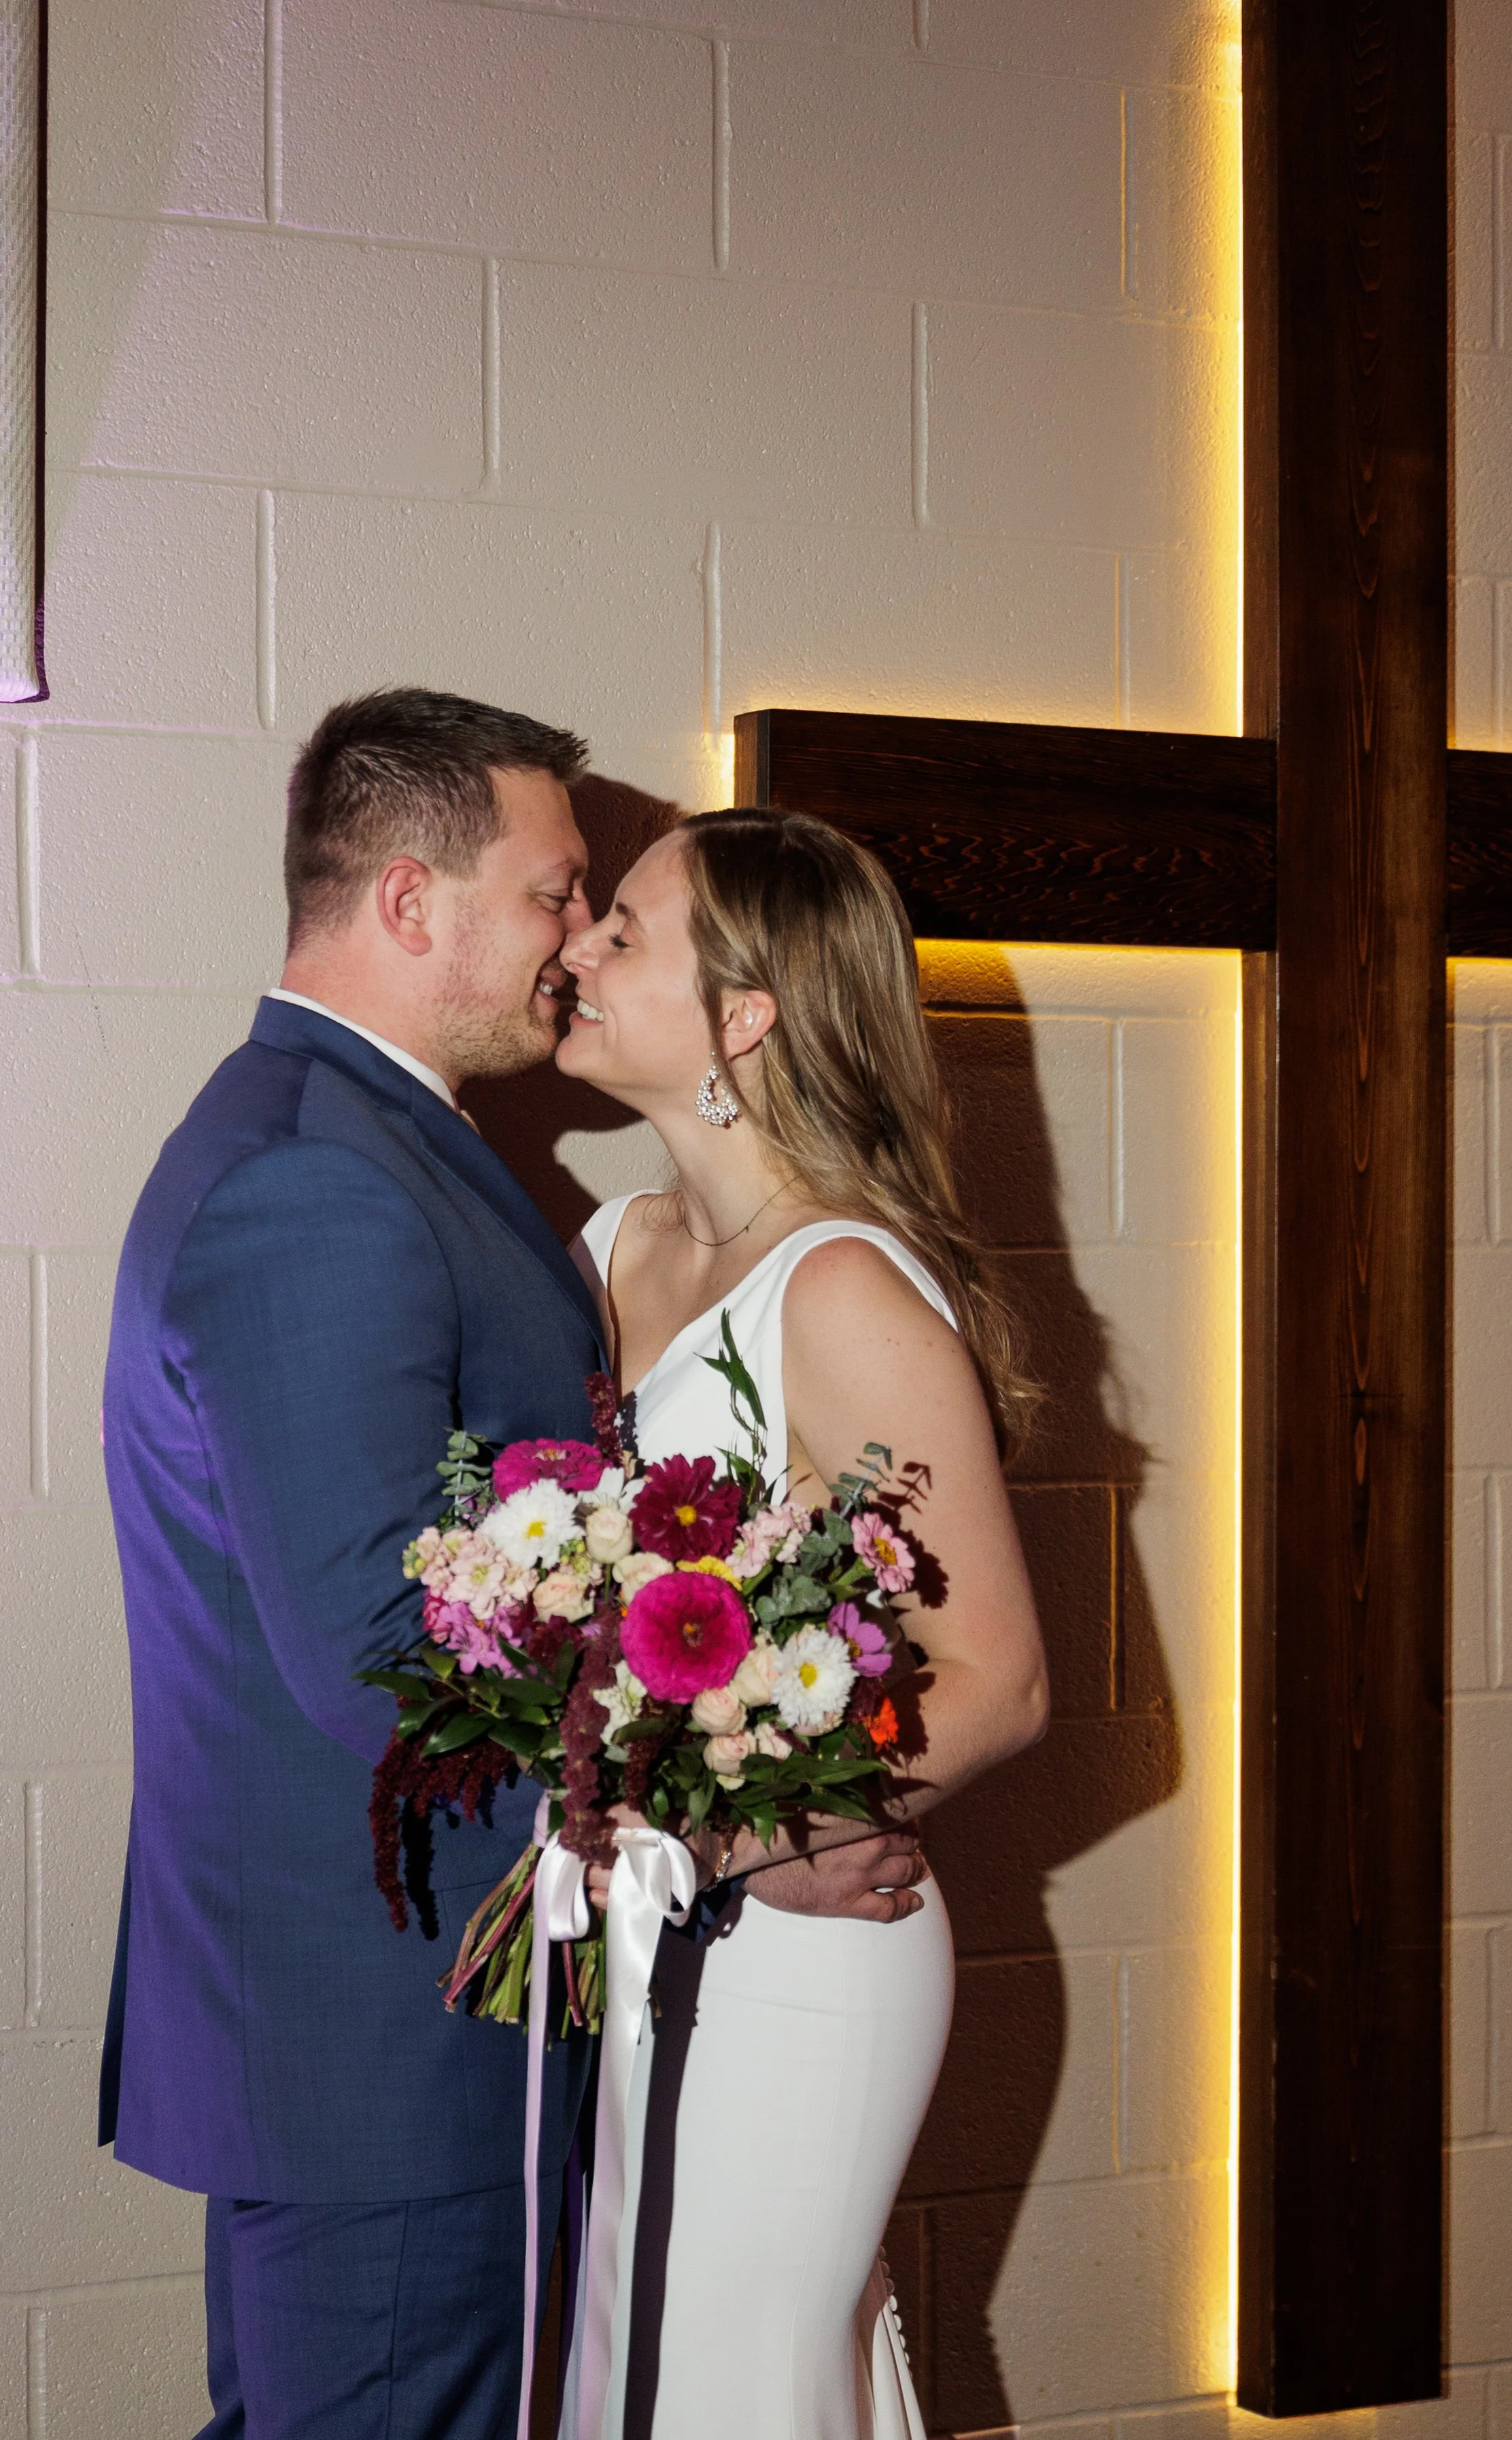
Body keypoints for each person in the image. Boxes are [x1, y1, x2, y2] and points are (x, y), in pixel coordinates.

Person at [98, 692, 921, 2440]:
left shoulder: (351, 1142)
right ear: (413, 903)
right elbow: (382, 1645)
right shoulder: (323, 1182)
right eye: (556, 892)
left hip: (370, 2026)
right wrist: (721, 1835)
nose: (575, 937)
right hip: (387, 2040)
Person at [555, 804, 1051, 2440]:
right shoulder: (606, 1248)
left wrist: (769, 1829)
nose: (576, 948)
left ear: (746, 1013)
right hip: (636, 1932)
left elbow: (999, 1677)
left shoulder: (839, 1289)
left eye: (623, 933)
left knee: (736, 2387)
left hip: (801, 1948)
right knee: (634, 2375)